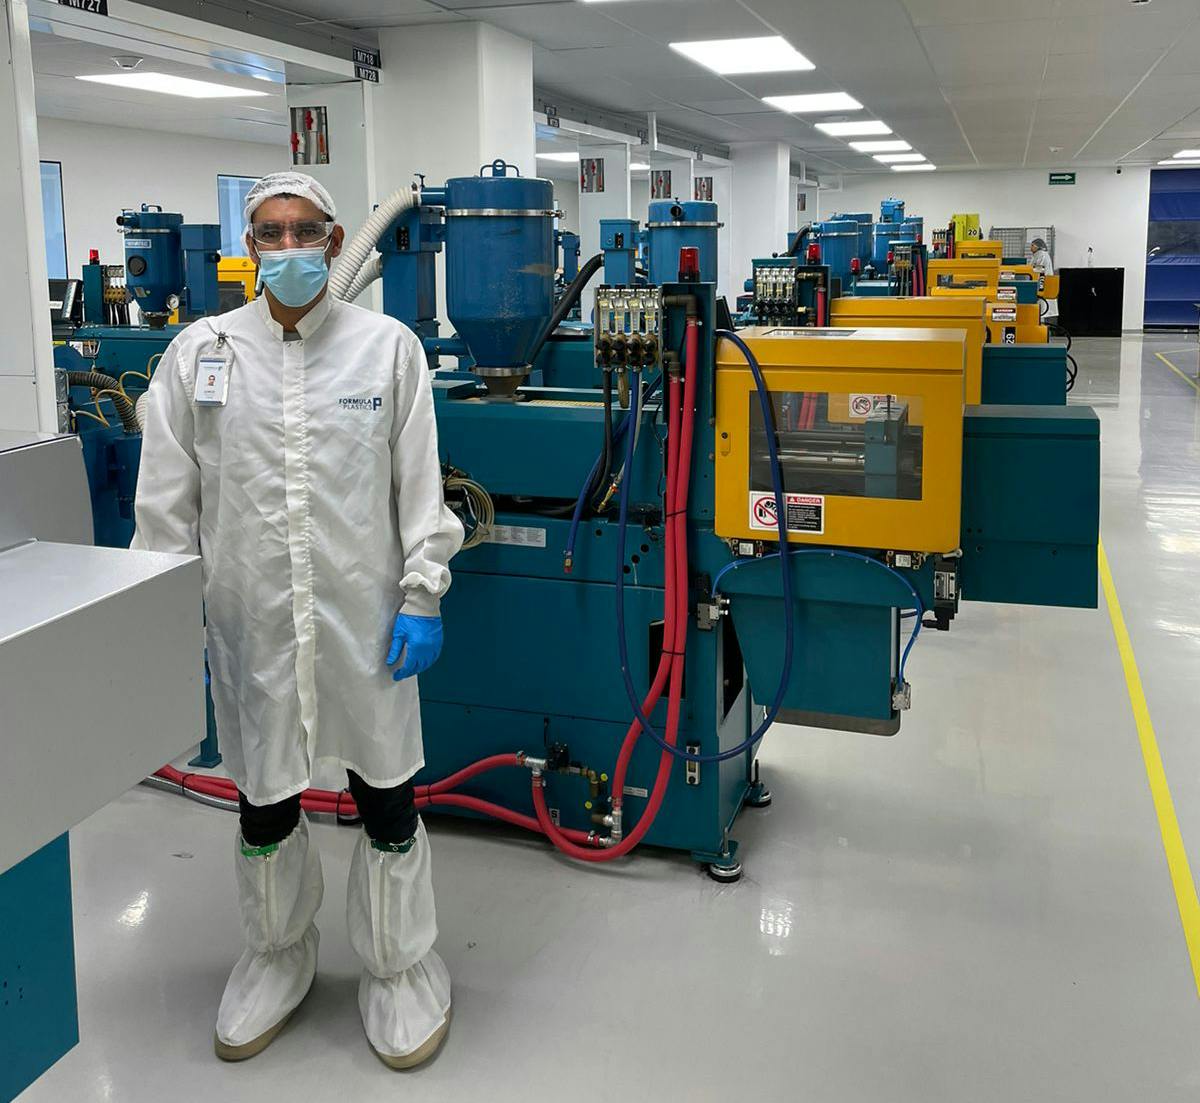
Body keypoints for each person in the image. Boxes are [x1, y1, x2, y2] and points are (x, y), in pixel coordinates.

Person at [132, 172, 464, 1068]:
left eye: (303, 231)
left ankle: (400, 968)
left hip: (366, 621)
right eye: (270, 233)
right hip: (252, 627)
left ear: (334, 239)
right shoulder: (199, 354)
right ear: (250, 245)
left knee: (385, 793)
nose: (287, 248)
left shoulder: (387, 350)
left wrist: (423, 592)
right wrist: (165, 625)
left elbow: (420, 491)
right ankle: (278, 954)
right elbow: (165, 507)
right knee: (265, 796)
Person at [1029, 237, 1057, 322]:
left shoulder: (1042, 255)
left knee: (1042, 307)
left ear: (1038, 246)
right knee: (1040, 307)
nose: (1031, 247)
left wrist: (1028, 270)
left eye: (1032, 245)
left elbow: (1039, 270)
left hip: (1042, 282)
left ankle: (1041, 325)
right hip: (1039, 282)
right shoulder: (1037, 255)